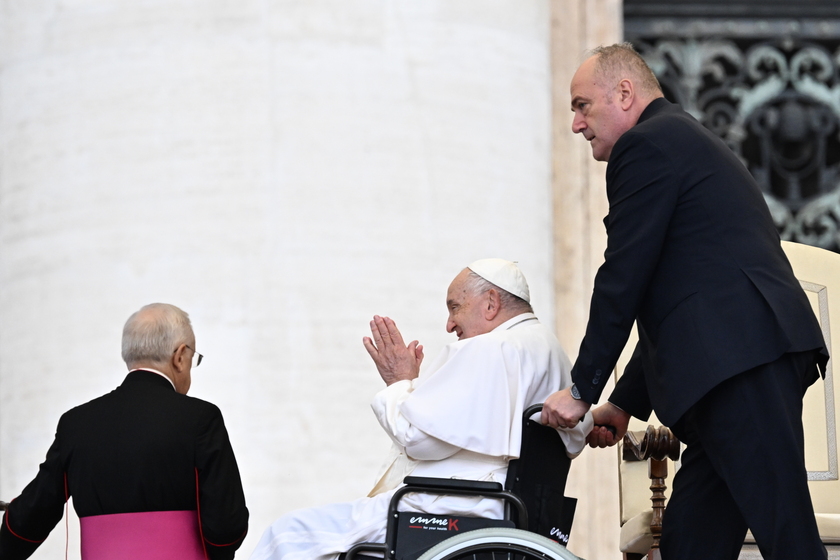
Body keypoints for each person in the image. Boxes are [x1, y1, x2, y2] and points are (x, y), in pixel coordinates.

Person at [539, 43, 829, 560]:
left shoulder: (646, 145)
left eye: (582, 105)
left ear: (624, 92)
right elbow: (675, 297)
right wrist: (625, 403)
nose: (577, 124)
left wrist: (582, 388)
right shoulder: (676, 138)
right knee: (690, 545)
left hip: (742, 366)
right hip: (733, 364)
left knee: (789, 541)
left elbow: (622, 276)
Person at [250, 259, 590, 560]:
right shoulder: (550, 349)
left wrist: (401, 382)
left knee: (288, 534)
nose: (449, 324)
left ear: (490, 303)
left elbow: (418, 439)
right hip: (503, 507)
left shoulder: (488, 348)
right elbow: (574, 437)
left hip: (449, 507)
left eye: (455, 307)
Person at [0, 303, 249, 560]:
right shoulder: (201, 418)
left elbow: (30, 517)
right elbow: (225, 529)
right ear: (180, 356)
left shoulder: (75, 424)